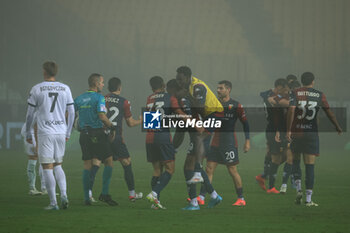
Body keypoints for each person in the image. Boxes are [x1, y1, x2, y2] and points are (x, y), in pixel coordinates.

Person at [286, 72, 342, 206]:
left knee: (296, 161)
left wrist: (288, 129)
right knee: (310, 166)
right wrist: (337, 127)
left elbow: (291, 110)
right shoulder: (319, 94)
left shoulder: (295, 92)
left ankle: (298, 190)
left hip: (297, 132)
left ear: (301, 80)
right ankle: (309, 199)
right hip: (311, 133)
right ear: (313, 82)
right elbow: (329, 112)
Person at [25, 61, 75, 210]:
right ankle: (64, 194)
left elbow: (29, 115)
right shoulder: (65, 88)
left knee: (47, 167)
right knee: (58, 165)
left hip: (45, 132)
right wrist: (68, 131)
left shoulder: (37, 89)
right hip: (60, 131)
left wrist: (28, 131)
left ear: (44, 72)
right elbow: (72, 112)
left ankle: (53, 203)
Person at [202, 80, 250, 206]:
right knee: (209, 169)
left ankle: (241, 199)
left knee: (232, 170)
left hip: (229, 142)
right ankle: (201, 197)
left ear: (228, 89)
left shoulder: (235, 105)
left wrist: (247, 141)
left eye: (221, 88)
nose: (218, 90)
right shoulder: (214, 104)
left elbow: (245, 123)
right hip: (215, 142)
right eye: (217, 88)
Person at [74, 73, 118, 206]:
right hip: (97, 134)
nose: (103, 85)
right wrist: (112, 127)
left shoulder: (79, 98)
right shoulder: (99, 97)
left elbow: (70, 115)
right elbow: (102, 116)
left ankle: (87, 198)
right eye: (102, 82)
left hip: (84, 135)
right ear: (97, 83)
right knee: (109, 161)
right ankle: (105, 193)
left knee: (87, 165)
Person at [176, 66, 224, 185]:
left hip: (215, 113)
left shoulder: (198, 87)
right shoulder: (189, 88)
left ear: (188, 77)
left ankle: (198, 172)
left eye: (181, 79)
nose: (179, 82)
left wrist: (187, 99)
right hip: (209, 115)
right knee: (200, 138)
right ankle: (199, 172)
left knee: (200, 137)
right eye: (177, 79)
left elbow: (200, 109)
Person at [145, 76, 185, 209]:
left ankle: (155, 204)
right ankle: (154, 193)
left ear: (151, 87)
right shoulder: (170, 97)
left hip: (150, 137)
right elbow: (179, 113)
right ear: (163, 85)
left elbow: (150, 120)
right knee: (170, 169)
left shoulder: (149, 98)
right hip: (162, 137)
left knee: (157, 170)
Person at [105, 77, 143, 201]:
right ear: (119, 87)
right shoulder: (124, 102)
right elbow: (130, 123)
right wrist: (142, 120)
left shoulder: (102, 99)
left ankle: (88, 195)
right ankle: (132, 194)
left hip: (102, 136)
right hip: (116, 137)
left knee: (94, 163)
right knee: (127, 162)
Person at [255, 78, 290, 193]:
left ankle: (264, 175)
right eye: (284, 89)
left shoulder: (268, 95)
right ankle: (271, 187)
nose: (285, 92)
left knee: (286, 155)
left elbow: (263, 94)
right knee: (276, 158)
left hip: (277, 129)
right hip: (275, 130)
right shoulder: (273, 98)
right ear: (279, 87)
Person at [21, 114, 46, 195]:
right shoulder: (43, 110)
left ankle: (43, 188)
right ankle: (34, 188)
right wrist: (37, 144)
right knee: (37, 158)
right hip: (30, 134)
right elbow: (36, 126)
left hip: (32, 132)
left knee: (42, 158)